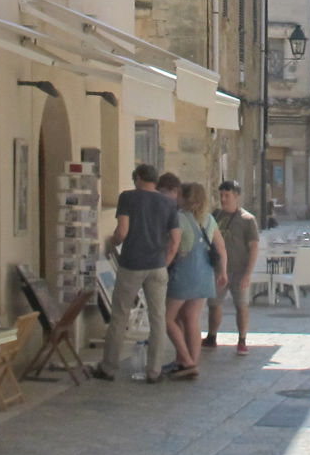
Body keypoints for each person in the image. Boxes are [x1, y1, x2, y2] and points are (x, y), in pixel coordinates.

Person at [92, 162, 181, 382]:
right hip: (157, 265)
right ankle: (154, 370)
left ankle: (109, 367)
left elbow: (122, 231)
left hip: (132, 263)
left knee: (120, 316)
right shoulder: (168, 203)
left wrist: (113, 243)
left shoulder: (128, 198)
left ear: (139, 178)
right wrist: (165, 261)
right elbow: (175, 240)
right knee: (158, 318)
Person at [163, 181, 223, 380]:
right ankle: (191, 362)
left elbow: (174, 244)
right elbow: (220, 247)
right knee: (191, 317)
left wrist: (163, 266)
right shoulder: (209, 220)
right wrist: (223, 272)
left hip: (184, 273)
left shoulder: (178, 218)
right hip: (204, 273)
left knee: (168, 318)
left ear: (183, 197)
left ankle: (186, 360)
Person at [205, 179, 260, 354]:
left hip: (239, 270)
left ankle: (242, 340)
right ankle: (212, 336)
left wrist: (248, 274)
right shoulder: (215, 216)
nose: (223, 199)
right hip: (218, 269)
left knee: (241, 305)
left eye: (227, 195)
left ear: (236, 197)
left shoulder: (247, 220)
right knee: (214, 304)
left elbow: (253, 248)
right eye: (221, 195)